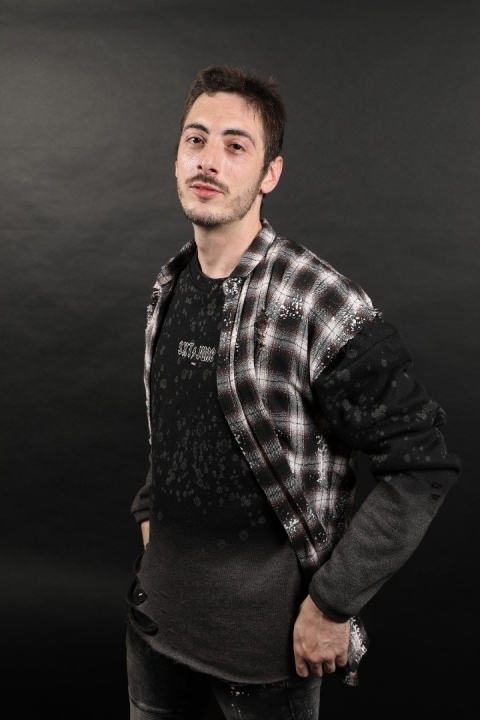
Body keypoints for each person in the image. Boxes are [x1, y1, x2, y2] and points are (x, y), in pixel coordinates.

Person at [125, 65, 461, 720]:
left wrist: (333, 605)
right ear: (177, 156)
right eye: (196, 139)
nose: (209, 160)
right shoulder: (171, 285)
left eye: (236, 145)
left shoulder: (318, 301)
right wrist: (149, 513)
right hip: (154, 630)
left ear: (269, 174)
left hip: (266, 656)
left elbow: (422, 466)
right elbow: (173, 431)